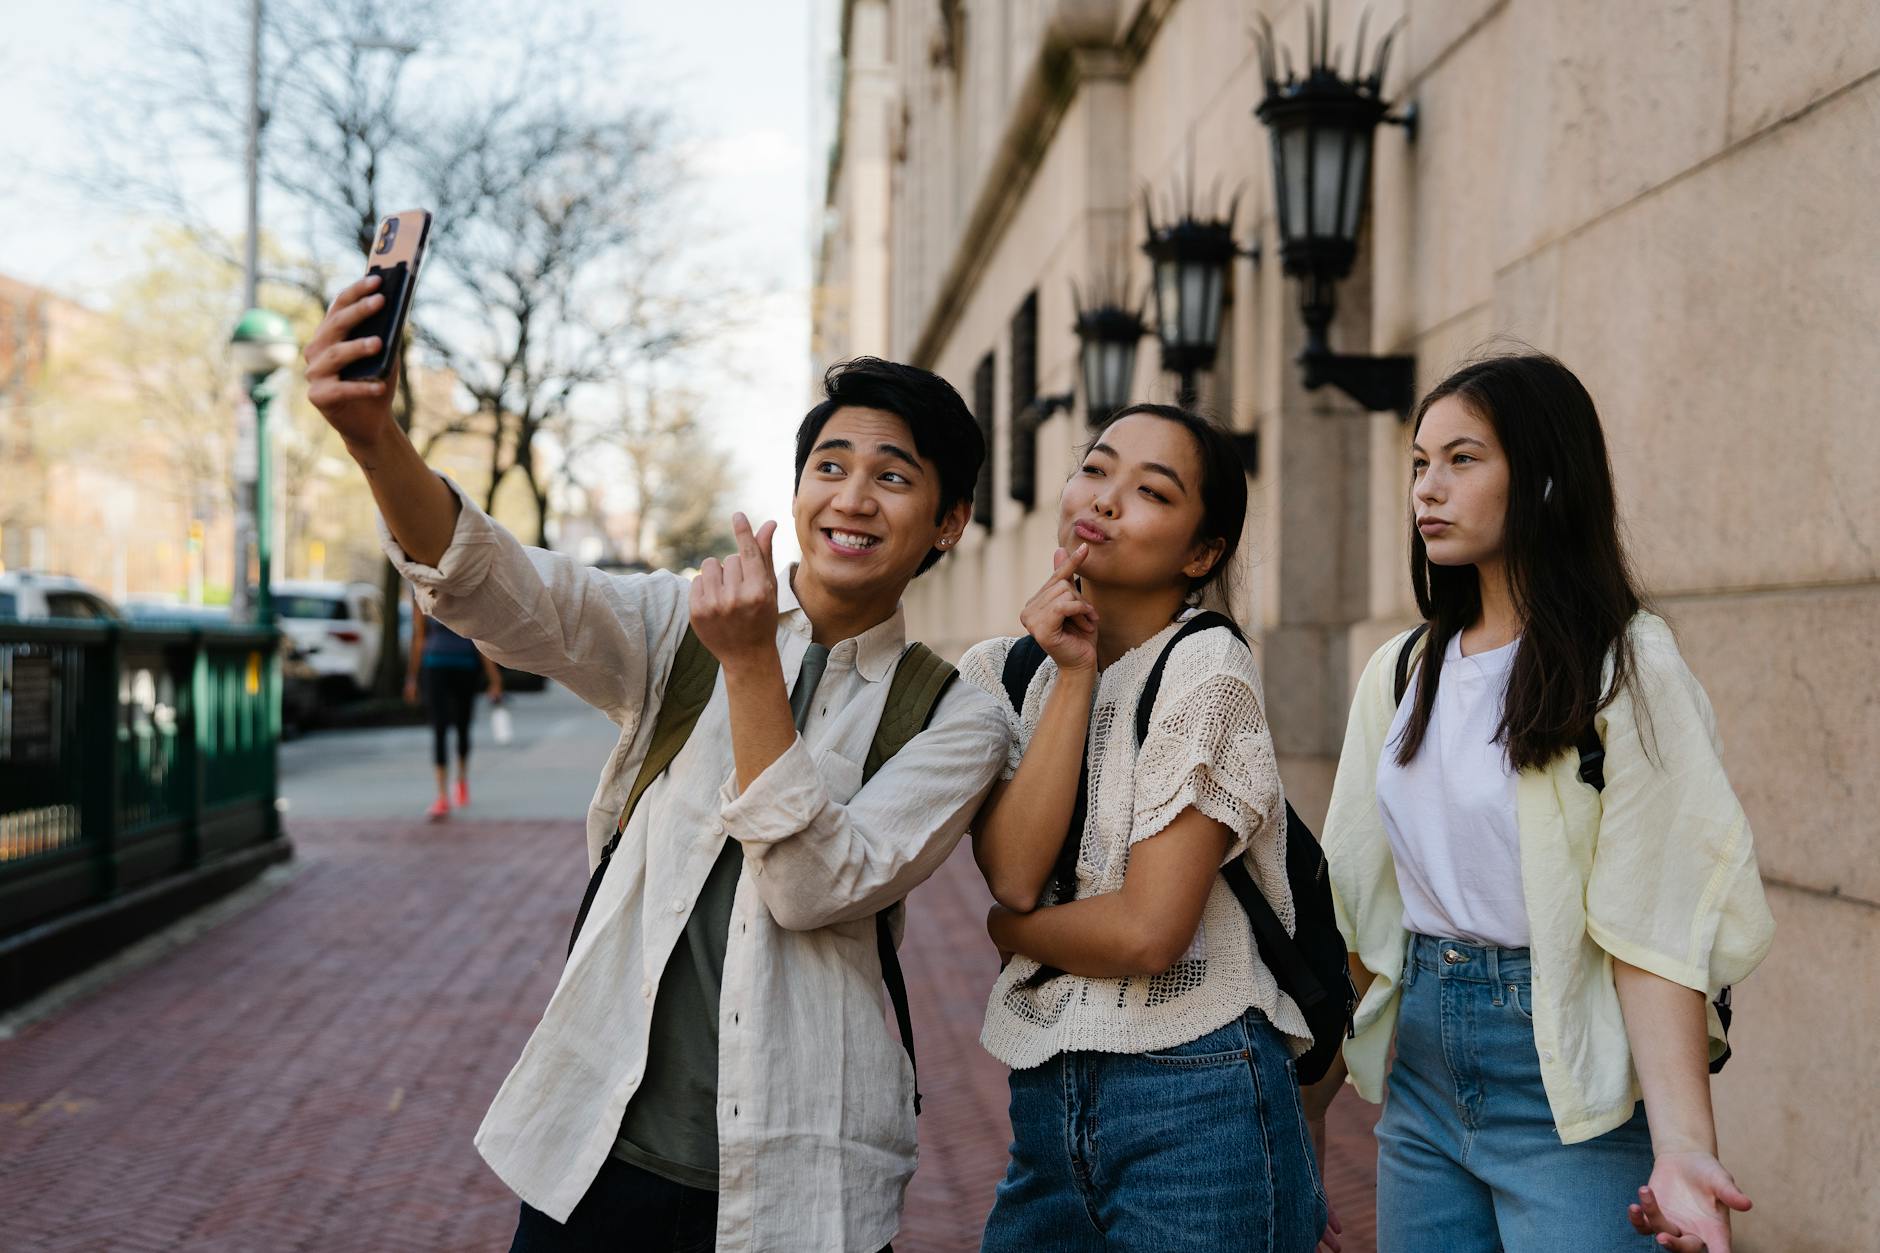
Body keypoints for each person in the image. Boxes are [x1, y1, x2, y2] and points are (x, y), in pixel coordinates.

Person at [304, 273, 1012, 1253]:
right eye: (829, 465)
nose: (851, 496)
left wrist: (751, 662)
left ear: (947, 521)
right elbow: (507, 590)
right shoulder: (684, 621)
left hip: (802, 1180)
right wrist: (374, 441)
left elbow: (813, 883)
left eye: (892, 476)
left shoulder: (956, 715)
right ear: (797, 488)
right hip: (598, 1145)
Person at [1307, 353, 1775, 1252]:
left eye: (1463, 459)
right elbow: (1359, 915)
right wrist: (1311, 1110)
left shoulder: (1628, 664)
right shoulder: (1402, 671)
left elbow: (1657, 917)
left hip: (1568, 1088)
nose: (1427, 488)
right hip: (1425, 1077)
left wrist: (1682, 1147)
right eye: (1419, 462)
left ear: (1546, 477)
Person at [957, 404, 1328, 1253]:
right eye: (1095, 468)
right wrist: (1075, 674)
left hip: (1198, 1092)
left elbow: (1148, 931)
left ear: (1202, 553)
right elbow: (1015, 871)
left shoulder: (1206, 666)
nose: (1108, 499)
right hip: (1046, 1097)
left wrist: (1009, 933)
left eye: (1151, 491)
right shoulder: (1006, 672)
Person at [405, 590, 504, 819]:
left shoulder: (465, 588)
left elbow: (479, 637)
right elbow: (419, 636)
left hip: (465, 667)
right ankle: (442, 796)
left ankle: (460, 780)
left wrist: (494, 678)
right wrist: (412, 677)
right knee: (439, 729)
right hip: (435, 667)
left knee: (462, 725)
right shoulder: (421, 591)